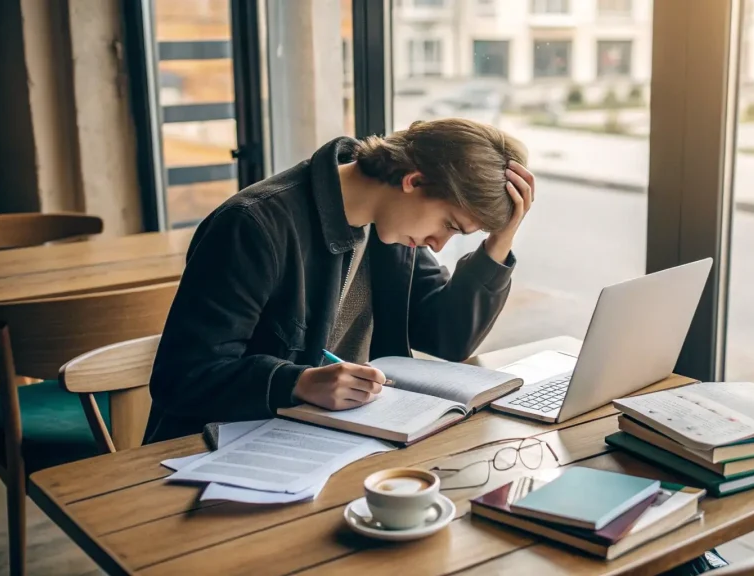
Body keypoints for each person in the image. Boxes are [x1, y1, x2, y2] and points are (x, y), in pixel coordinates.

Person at [143, 118, 535, 444]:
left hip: (331, 439)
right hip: (221, 450)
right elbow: (183, 378)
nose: (438, 243)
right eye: (448, 224)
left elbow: (448, 338)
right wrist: (297, 383)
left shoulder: (390, 229)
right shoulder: (254, 225)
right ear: (413, 182)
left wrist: (499, 242)